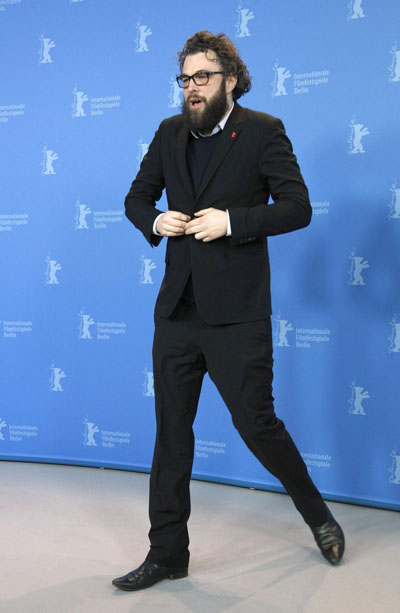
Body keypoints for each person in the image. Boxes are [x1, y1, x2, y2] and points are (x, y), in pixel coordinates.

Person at [112, 31, 345, 592]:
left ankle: (319, 515)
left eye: (202, 77)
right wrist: (155, 221)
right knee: (172, 434)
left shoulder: (263, 131)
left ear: (231, 81)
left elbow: (297, 207)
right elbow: (137, 198)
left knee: (257, 425)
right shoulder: (169, 133)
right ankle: (167, 554)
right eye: (185, 78)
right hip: (176, 312)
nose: (191, 88)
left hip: (237, 315)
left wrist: (233, 222)